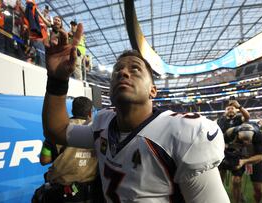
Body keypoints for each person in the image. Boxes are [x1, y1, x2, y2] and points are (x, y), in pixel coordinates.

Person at [42, 23, 229, 202]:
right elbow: (56, 130)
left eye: (135, 69)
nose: (123, 73)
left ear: (152, 90)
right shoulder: (103, 125)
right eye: (117, 71)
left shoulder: (182, 133)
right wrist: (57, 80)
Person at [33, 96, 103, 203]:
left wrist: (49, 144)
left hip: (61, 193)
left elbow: (44, 160)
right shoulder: (98, 131)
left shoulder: (59, 129)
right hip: (89, 194)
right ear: (90, 113)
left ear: (72, 111)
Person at [224, 123, 262, 203]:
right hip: (239, 157)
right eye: (243, 140)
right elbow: (222, 144)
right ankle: (238, 200)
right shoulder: (230, 132)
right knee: (235, 181)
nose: (246, 142)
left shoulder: (259, 136)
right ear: (237, 134)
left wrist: (244, 161)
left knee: (259, 189)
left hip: (255, 159)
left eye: (248, 140)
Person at [217, 99, 250, 182]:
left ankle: (238, 194)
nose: (230, 110)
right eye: (228, 109)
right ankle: (221, 193)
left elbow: (247, 116)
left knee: (236, 179)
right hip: (223, 151)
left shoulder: (239, 119)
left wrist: (239, 106)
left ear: (236, 110)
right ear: (225, 111)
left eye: (232, 108)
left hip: (237, 152)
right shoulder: (220, 120)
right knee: (220, 175)